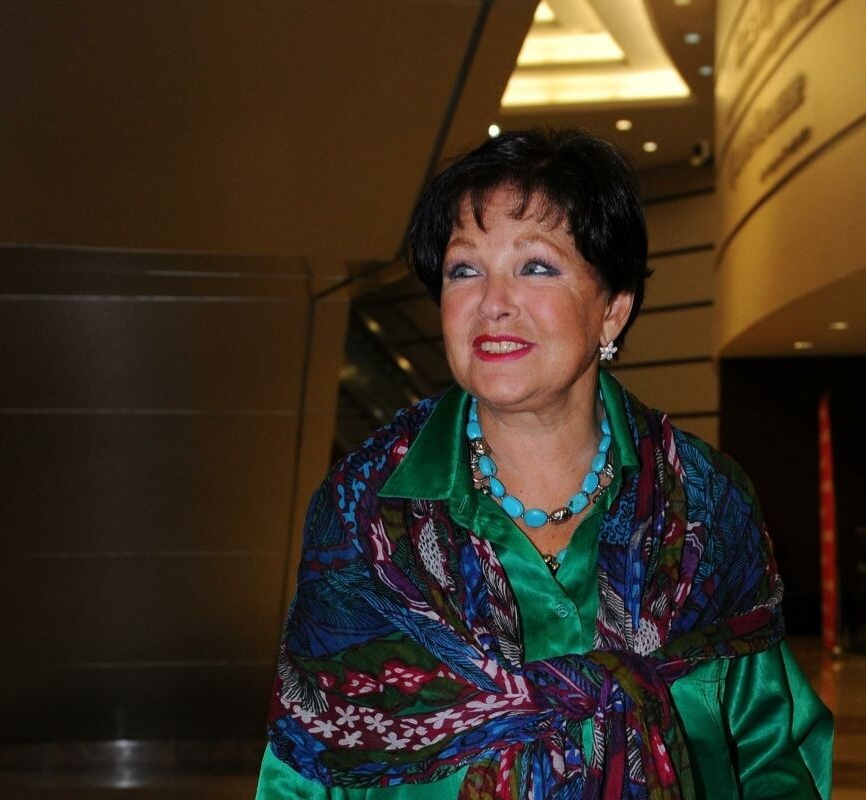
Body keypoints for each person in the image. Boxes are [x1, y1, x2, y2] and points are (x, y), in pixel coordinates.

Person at [256, 129, 832, 799]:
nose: (492, 302)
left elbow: (769, 753)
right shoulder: (363, 511)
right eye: (464, 270)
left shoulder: (705, 501)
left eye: (535, 267)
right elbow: (306, 767)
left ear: (612, 310)